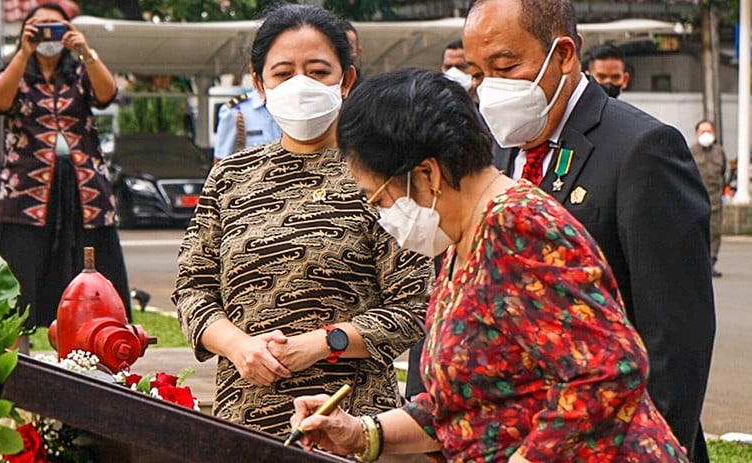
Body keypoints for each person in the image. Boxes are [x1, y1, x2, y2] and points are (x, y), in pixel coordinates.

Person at [290, 67, 688, 463]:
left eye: (377, 198)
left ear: (427, 173)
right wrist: (361, 433)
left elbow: (608, 373)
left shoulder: (517, 227)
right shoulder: (463, 237)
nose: (381, 215)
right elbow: (468, 405)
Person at [468, 0, 715, 461]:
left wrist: (649, 449)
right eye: (477, 73)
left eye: (505, 66)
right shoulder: (492, 150)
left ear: (563, 54)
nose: (489, 90)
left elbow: (676, 334)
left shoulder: (643, 149)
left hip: (616, 440)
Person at [173, 4, 431, 439]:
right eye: (283, 73)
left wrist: (323, 343)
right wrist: (240, 347)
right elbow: (192, 290)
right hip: (244, 418)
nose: (301, 85)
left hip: (351, 422)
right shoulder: (230, 177)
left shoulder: (382, 175)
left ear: (346, 81)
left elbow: (414, 306)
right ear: (259, 83)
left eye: (317, 71)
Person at [0, 3, 131, 334]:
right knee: (19, 266)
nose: (47, 33)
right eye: (39, 26)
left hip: (84, 189)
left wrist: (86, 52)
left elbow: (107, 94)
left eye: (56, 26)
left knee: (91, 265)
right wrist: (23, 53)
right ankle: (16, 348)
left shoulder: (80, 70)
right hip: (26, 192)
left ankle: (94, 341)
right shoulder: (16, 70)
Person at [690, 120, 726, 277]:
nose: (706, 135)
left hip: (715, 200)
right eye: (702, 131)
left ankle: (711, 263)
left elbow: (723, 171)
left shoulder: (719, 152)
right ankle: (698, 264)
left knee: (715, 232)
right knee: (697, 233)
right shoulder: (691, 151)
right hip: (695, 199)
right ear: (697, 134)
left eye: (709, 131)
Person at [213, 87, 282, 162]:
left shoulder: (292, 106)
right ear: (256, 78)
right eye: (281, 75)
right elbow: (221, 160)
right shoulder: (236, 110)